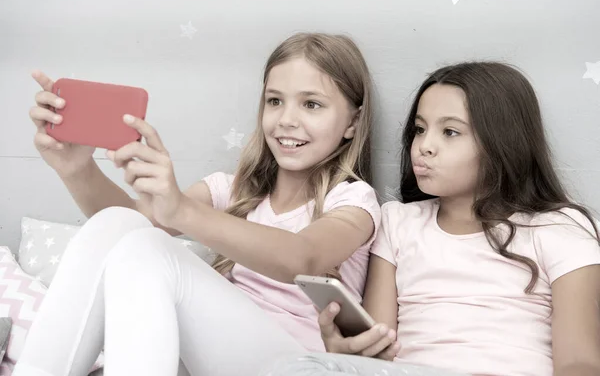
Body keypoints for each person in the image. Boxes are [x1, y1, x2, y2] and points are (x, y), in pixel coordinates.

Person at [14, 32, 381, 376]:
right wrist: (77, 168)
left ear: (353, 121)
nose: (286, 119)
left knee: (148, 244)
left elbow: (303, 258)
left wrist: (181, 210)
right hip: (220, 356)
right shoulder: (234, 189)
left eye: (311, 104)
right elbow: (131, 221)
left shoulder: (353, 200)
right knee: (119, 227)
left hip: (299, 363)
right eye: (274, 101)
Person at [262, 61, 600, 376]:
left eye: (450, 132)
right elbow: (381, 347)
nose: (424, 146)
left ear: (503, 142)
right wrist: (346, 353)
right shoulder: (398, 223)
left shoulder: (559, 228)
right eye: (420, 130)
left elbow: (580, 362)